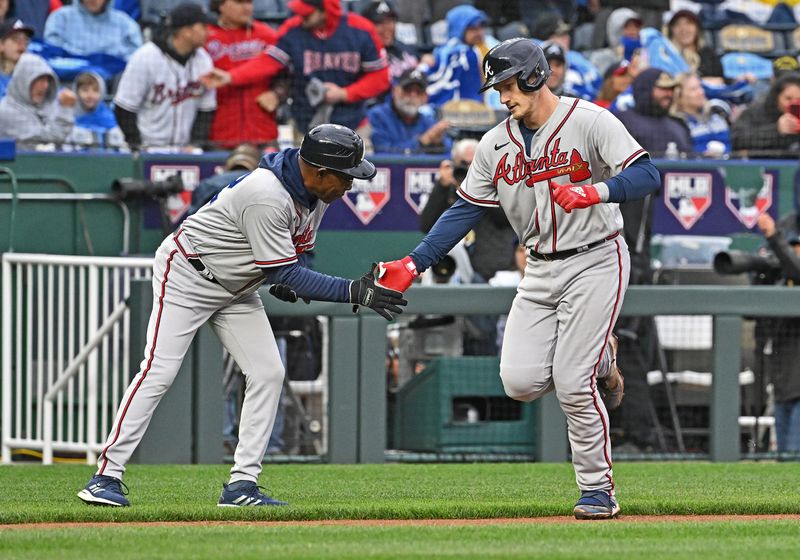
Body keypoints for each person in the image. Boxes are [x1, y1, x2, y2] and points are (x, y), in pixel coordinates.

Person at [376, 38, 661, 520]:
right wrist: (414, 262)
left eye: (509, 85)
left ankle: (597, 489)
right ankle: (602, 356)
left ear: (535, 76)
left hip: (596, 257)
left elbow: (648, 174)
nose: (503, 97)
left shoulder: (589, 119)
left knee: (572, 382)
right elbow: (463, 211)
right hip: (539, 265)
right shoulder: (494, 144)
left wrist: (597, 191)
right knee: (520, 382)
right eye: (497, 88)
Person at [77, 123, 407, 508]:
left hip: (238, 285)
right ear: (319, 171)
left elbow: (291, 261)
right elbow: (284, 271)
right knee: (159, 370)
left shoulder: (316, 196)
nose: (350, 186)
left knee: (269, 371)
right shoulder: (266, 194)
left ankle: (241, 486)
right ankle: (105, 476)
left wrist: (289, 281)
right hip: (188, 273)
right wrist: (353, 290)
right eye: (345, 176)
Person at [201, 0, 390, 136]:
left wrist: (345, 93)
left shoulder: (360, 30)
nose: (302, 16)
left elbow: (381, 77)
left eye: (307, 12)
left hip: (352, 124)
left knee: (355, 186)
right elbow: (268, 62)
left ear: (326, 10)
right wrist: (231, 77)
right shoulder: (293, 29)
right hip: (305, 125)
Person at [113, 3, 217, 151]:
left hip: (184, 152)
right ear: (186, 31)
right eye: (203, 27)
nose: (209, 32)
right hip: (147, 149)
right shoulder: (145, 57)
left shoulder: (203, 60)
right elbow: (124, 108)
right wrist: (137, 145)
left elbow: (206, 110)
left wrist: (195, 144)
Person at [206, 0, 282, 148]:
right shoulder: (207, 37)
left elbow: (286, 73)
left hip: (263, 132)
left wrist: (277, 94)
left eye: (249, 2)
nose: (247, 8)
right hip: (220, 135)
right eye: (240, 2)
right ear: (221, 5)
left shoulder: (267, 35)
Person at [756, 213, 800, 453]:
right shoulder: (782, 284)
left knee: (795, 459)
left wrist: (774, 236)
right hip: (785, 387)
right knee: (785, 460)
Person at [423, 4, 500, 109]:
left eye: (481, 26)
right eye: (472, 28)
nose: (479, 32)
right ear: (458, 28)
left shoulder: (489, 45)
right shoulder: (451, 53)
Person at [0, 51, 75, 148]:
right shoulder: (6, 111)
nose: (45, 86)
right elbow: (42, 142)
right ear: (23, 79)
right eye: (39, 80)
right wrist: (65, 111)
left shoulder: (49, 105)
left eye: (47, 80)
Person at [367, 68, 451, 154]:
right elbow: (381, 152)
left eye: (418, 92)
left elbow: (449, 149)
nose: (412, 95)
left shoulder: (428, 121)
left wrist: (438, 144)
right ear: (395, 91)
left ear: (425, 97)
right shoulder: (377, 116)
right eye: (407, 90)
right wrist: (421, 142)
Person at [615, 68, 693, 157]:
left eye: (671, 89)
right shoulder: (622, 122)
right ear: (645, 90)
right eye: (663, 88)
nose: (669, 94)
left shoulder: (679, 124)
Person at [43, 0, 142, 60]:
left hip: (114, 87)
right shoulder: (60, 18)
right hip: (66, 85)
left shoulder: (126, 25)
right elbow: (52, 53)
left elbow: (135, 60)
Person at [732, 73, 800, 157]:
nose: (794, 103)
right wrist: (777, 130)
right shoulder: (757, 111)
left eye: (798, 99)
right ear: (777, 97)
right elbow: (737, 139)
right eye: (788, 98)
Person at [670, 72, 731, 157]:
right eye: (694, 89)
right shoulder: (676, 124)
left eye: (700, 87)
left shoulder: (716, 117)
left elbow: (729, 145)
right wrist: (704, 155)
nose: (701, 92)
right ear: (679, 95)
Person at [361, 0, 418, 82]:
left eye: (390, 22)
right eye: (379, 23)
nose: (386, 28)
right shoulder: (364, 57)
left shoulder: (402, 47)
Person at [68, 70, 124, 149]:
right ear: (77, 92)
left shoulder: (110, 119)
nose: (90, 95)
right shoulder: (69, 117)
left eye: (95, 90)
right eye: (85, 90)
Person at [665, 9, 723, 83]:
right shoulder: (667, 56)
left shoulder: (708, 54)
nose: (683, 29)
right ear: (672, 30)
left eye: (688, 23)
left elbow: (721, 80)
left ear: (697, 29)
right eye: (677, 24)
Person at [0, 19, 33, 99]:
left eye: (26, 40)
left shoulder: (32, 74)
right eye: (15, 39)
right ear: (1, 45)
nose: (22, 44)